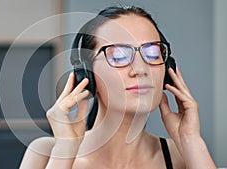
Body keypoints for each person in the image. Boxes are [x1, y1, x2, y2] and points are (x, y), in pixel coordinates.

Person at [20, 5, 216, 169]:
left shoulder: (180, 156)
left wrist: (191, 141)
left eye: (153, 53)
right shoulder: (45, 154)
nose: (140, 69)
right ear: (87, 73)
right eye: (119, 56)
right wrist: (65, 151)